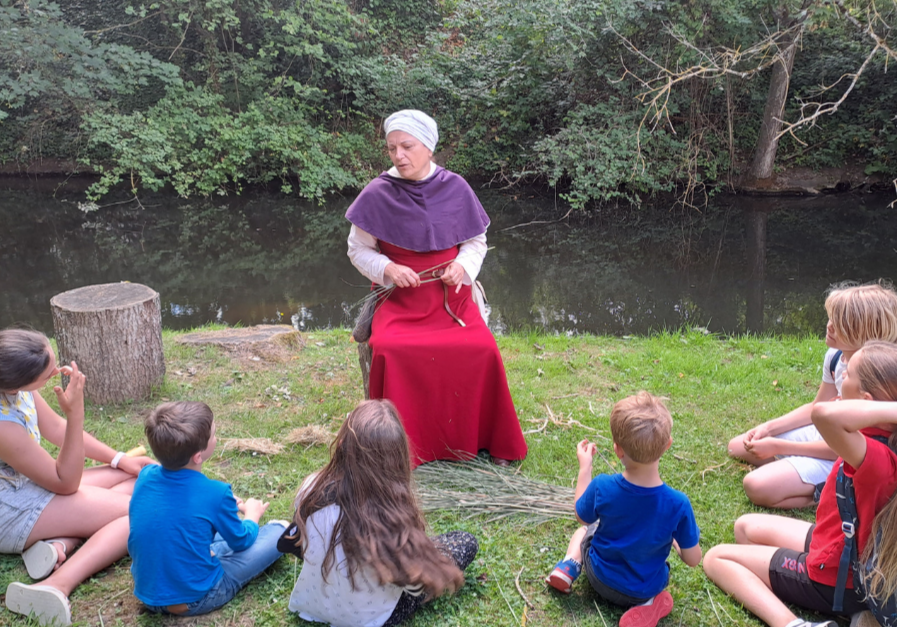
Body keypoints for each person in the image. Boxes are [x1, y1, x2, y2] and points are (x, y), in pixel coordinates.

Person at [704, 342, 897, 627]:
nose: (842, 377)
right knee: (745, 527)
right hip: (847, 549)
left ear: (866, 400)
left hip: (839, 578)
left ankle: (794, 624)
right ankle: (861, 617)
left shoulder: (877, 455)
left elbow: (824, 416)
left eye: (849, 374)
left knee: (717, 558)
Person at [344, 109, 526, 467]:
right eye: (392, 147)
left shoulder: (455, 187)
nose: (399, 155)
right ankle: (397, 448)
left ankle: (486, 440)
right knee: (391, 350)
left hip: (450, 302)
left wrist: (461, 267)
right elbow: (357, 249)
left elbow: (476, 241)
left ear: (428, 147)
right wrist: (389, 268)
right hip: (400, 303)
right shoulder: (378, 192)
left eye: (407, 146)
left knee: (481, 348)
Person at [0, 329, 154, 626]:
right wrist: (76, 413)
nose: (57, 373)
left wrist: (119, 458)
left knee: (132, 480)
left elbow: (56, 430)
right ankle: (54, 585)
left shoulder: (13, 386)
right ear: (18, 380)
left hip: (25, 482)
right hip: (2, 508)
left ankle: (56, 545)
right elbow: (65, 482)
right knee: (140, 512)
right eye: (49, 374)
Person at [284, 399, 477, 627]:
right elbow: (413, 584)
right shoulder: (391, 519)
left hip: (312, 605)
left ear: (343, 445)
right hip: (370, 618)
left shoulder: (311, 487)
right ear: (397, 460)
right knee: (465, 541)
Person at [727, 282, 897, 509]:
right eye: (831, 317)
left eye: (839, 323)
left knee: (757, 486)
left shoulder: (878, 378)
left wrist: (779, 447)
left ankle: (832, 491)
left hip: (847, 454)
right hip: (826, 434)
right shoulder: (836, 356)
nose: (829, 326)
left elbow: (849, 447)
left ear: (865, 331)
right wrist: (769, 429)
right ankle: (796, 470)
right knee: (738, 446)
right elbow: (819, 406)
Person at [545, 392, 701, 627]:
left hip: (600, 579)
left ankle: (568, 566)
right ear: (667, 445)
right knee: (659, 577)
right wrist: (677, 542)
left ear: (618, 450)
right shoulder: (678, 504)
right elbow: (693, 559)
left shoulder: (603, 486)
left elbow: (581, 515)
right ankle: (649, 605)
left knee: (584, 532)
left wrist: (585, 469)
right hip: (644, 589)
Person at [128, 401, 285, 616]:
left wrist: (220, 504)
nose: (216, 439)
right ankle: (280, 529)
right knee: (279, 532)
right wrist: (252, 515)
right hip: (198, 598)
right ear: (198, 456)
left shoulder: (145, 476)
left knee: (198, 532)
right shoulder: (216, 493)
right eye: (213, 435)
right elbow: (242, 541)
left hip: (149, 595)